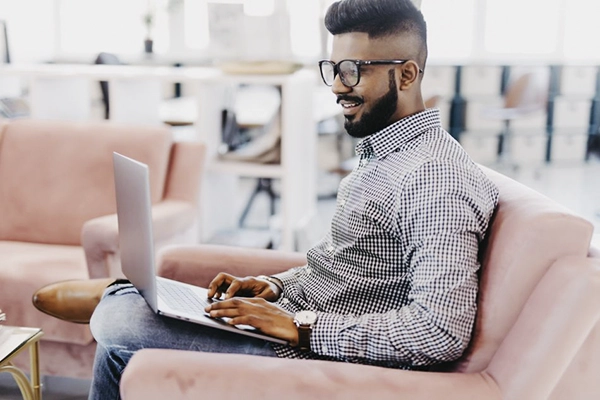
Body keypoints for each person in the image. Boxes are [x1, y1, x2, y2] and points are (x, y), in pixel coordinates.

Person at [34, 0, 499, 398]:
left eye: (353, 71)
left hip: (325, 356)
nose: (338, 86)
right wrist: (276, 287)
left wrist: (299, 328)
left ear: (408, 73)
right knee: (122, 335)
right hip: (299, 322)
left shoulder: (434, 177)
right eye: (334, 69)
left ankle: (117, 295)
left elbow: (440, 331)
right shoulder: (383, 156)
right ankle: (124, 295)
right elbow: (348, 272)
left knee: (121, 321)